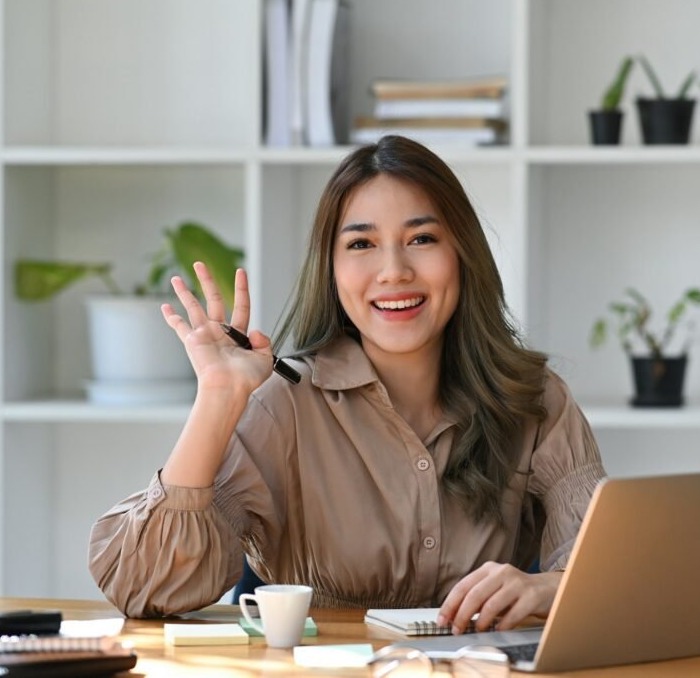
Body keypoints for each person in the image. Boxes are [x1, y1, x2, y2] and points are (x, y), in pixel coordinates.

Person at [89, 136, 606, 634]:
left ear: (462, 254)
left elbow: (605, 572)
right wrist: (218, 399)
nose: (393, 271)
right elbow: (142, 589)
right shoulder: (283, 405)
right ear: (331, 270)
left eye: (421, 239)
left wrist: (549, 589)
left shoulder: (534, 400)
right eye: (361, 244)